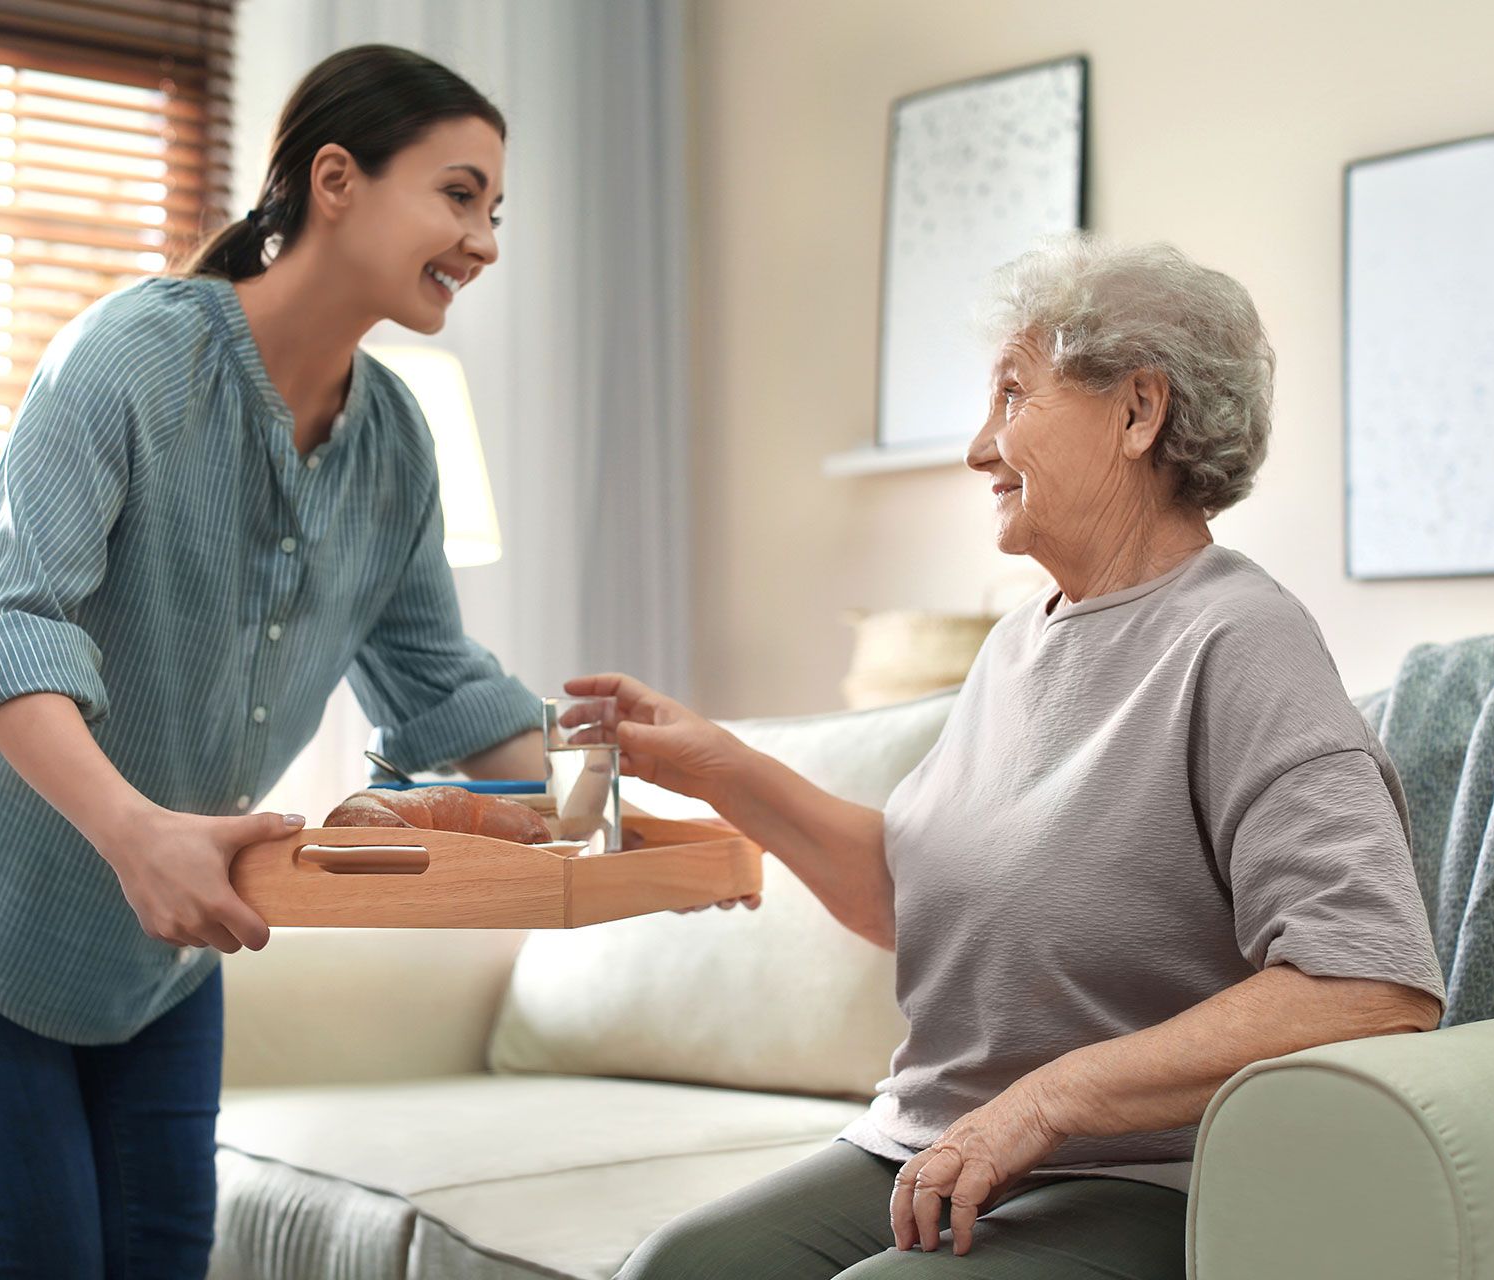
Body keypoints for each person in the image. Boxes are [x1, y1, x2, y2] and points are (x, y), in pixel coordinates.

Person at [0, 44, 542, 1278]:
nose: (485, 241)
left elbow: (443, 685)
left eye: (495, 209)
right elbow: (6, 630)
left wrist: (621, 814)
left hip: (159, 951)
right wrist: (139, 832)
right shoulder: (134, 354)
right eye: (459, 195)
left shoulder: (398, 440)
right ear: (338, 179)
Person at [588, 235, 1447, 1279]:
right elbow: (916, 900)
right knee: (675, 1270)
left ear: (1139, 410)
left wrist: (1044, 1102)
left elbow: (1370, 985)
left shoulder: (1239, 638)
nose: (977, 448)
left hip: (1146, 1173)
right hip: (931, 1147)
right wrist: (720, 763)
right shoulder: (1017, 643)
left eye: (1012, 394)